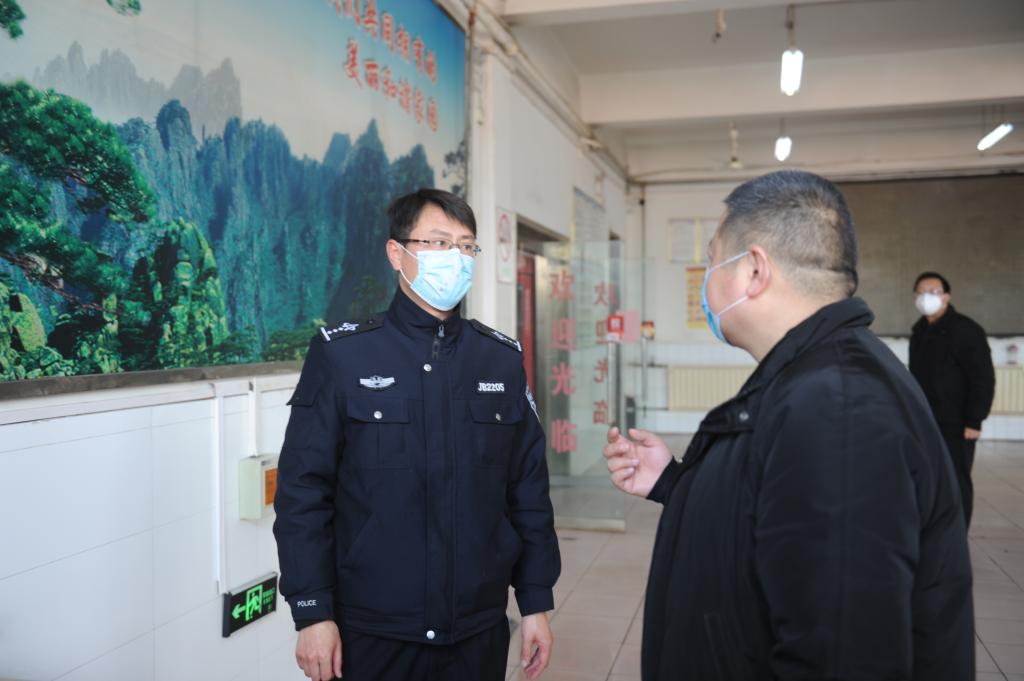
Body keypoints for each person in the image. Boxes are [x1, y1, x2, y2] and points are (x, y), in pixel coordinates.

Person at [604, 171, 973, 681]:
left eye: (712, 260)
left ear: (755, 270)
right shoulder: (818, 377)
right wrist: (675, 481)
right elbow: (776, 512)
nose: (706, 279)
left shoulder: (840, 410)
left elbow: (840, 655)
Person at [273, 188, 560, 681]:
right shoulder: (343, 356)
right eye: (439, 242)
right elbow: (303, 491)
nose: (456, 257)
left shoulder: (499, 359)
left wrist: (535, 601)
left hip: (477, 627)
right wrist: (312, 611)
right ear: (396, 253)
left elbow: (527, 490)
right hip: (373, 630)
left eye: (466, 246)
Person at [910, 271, 996, 529]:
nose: (927, 297)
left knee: (956, 480)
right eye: (921, 292)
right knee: (930, 479)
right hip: (927, 421)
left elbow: (982, 378)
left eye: (933, 292)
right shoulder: (919, 331)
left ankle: (957, 535)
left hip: (957, 423)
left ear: (947, 296)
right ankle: (935, 532)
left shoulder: (966, 330)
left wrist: (974, 420)